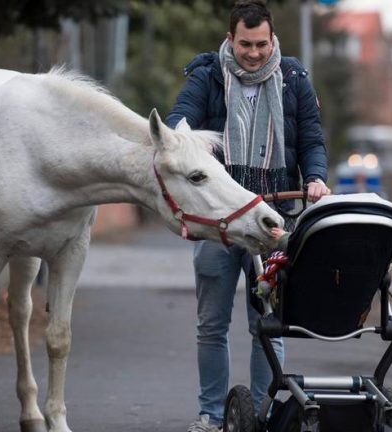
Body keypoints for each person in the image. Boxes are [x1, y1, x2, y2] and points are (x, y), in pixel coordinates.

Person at [165, 1, 331, 430]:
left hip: (273, 221)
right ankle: (211, 415)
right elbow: (177, 128)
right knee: (211, 325)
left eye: (261, 44)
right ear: (229, 40)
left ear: (273, 40)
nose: (254, 53)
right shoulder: (206, 78)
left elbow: (312, 139)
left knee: (269, 326)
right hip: (220, 225)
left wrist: (314, 177)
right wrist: (186, 145)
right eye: (245, 44)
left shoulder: (293, 79)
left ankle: (266, 414)